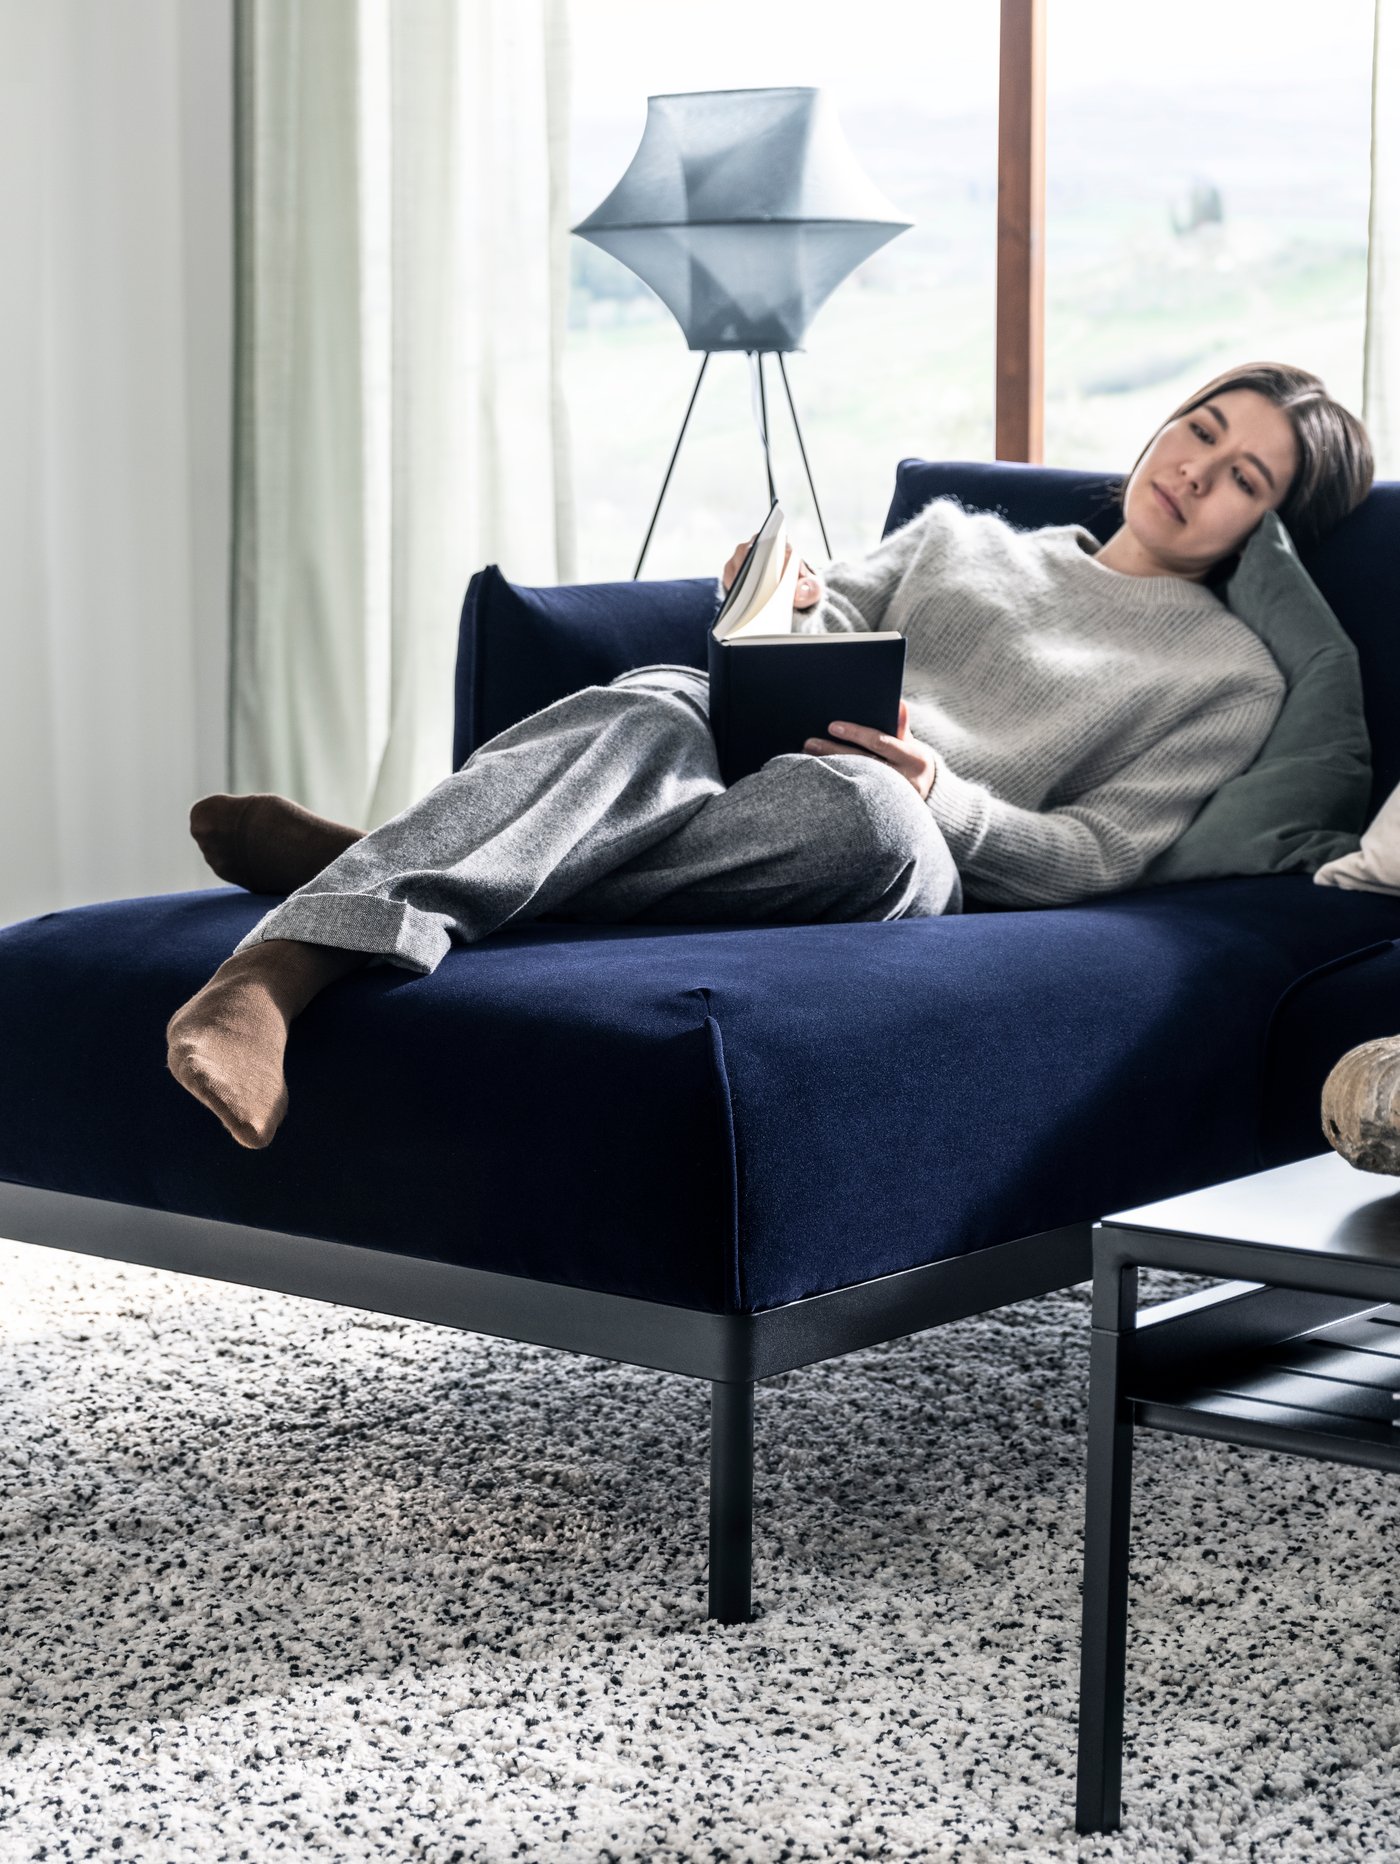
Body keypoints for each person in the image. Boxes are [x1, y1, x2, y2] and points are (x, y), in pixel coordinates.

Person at [167, 360, 1373, 1150]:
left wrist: (944, 796)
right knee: (652, 701)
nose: (1192, 472)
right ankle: (270, 976)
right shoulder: (958, 538)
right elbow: (795, 638)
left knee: (861, 811)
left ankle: (388, 862)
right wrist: (778, 601)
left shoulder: (1228, 676)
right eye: (1197, 431)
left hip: (891, 845)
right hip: (739, 755)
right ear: (1163, 422)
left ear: (1264, 525)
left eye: (1239, 479)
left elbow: (1095, 854)